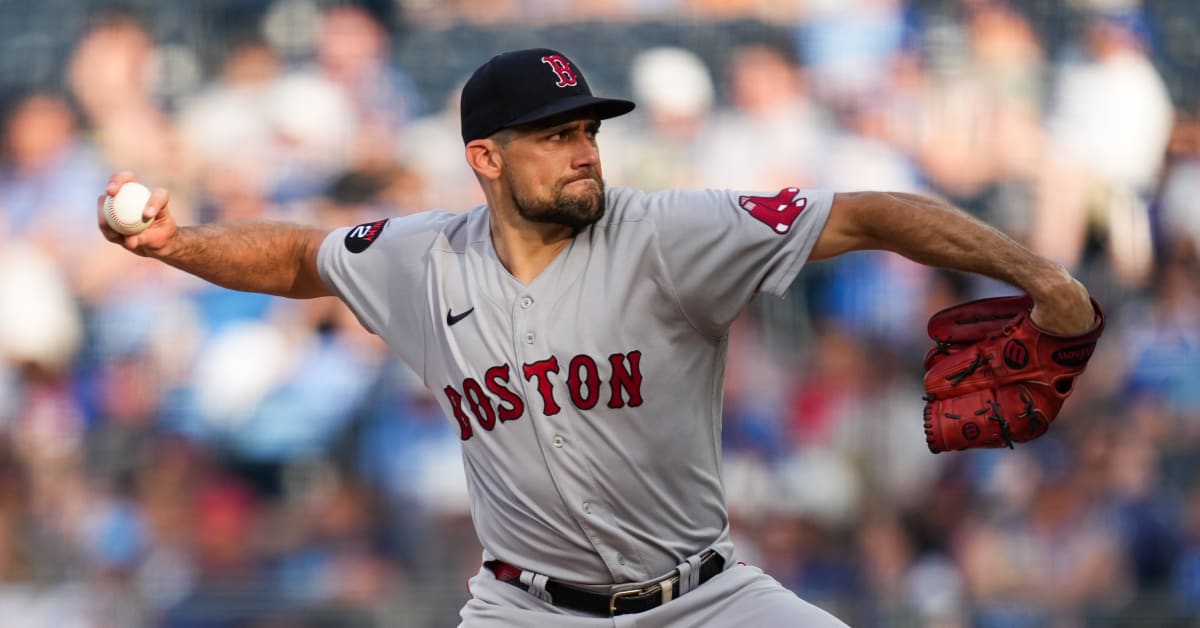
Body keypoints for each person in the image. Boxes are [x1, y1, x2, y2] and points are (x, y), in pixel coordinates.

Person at [98, 48, 1097, 627]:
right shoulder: (422, 259)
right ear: (486, 158)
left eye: (589, 130)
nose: (584, 152)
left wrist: (1044, 279)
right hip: (525, 610)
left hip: (704, 600)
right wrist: (178, 243)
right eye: (556, 136)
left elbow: (873, 211)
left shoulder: (669, 233)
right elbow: (295, 258)